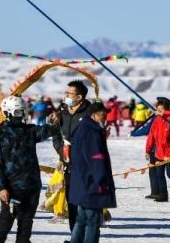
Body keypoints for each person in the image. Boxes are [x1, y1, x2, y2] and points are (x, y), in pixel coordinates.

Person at [0, 96, 59, 243]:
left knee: (26, 225)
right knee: (5, 224)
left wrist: (57, 118)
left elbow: (49, 130)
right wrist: (2, 187)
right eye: (17, 113)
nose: (20, 117)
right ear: (7, 113)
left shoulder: (29, 131)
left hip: (32, 186)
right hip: (12, 188)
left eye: (22, 113)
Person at [68, 102, 116, 243]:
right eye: (102, 114)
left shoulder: (85, 128)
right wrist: (102, 182)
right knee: (93, 222)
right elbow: (96, 158)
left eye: (105, 114)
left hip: (82, 183)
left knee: (81, 220)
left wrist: (102, 137)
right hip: (92, 184)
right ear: (93, 115)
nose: (105, 117)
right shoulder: (92, 131)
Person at [52, 80, 93, 233]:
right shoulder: (63, 112)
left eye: (69, 94)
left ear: (79, 97)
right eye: (66, 93)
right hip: (68, 165)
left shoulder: (90, 113)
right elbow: (56, 134)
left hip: (86, 166)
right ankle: (74, 236)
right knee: (72, 203)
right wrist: (60, 149)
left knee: (86, 204)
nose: (66, 96)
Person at [145, 97, 170, 202]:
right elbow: (151, 137)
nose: (159, 111)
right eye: (157, 109)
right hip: (159, 152)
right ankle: (163, 196)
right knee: (159, 175)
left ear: (166, 110)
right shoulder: (156, 121)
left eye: (161, 109)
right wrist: (148, 150)